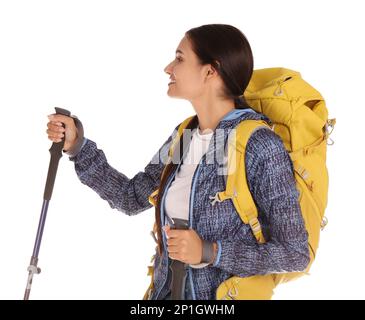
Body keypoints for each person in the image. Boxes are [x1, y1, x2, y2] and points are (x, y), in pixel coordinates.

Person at [46, 24, 310, 300]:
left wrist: (210, 252)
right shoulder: (184, 137)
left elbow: (294, 254)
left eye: (180, 58)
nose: (168, 68)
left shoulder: (259, 145)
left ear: (210, 71)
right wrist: (78, 146)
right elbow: (131, 197)